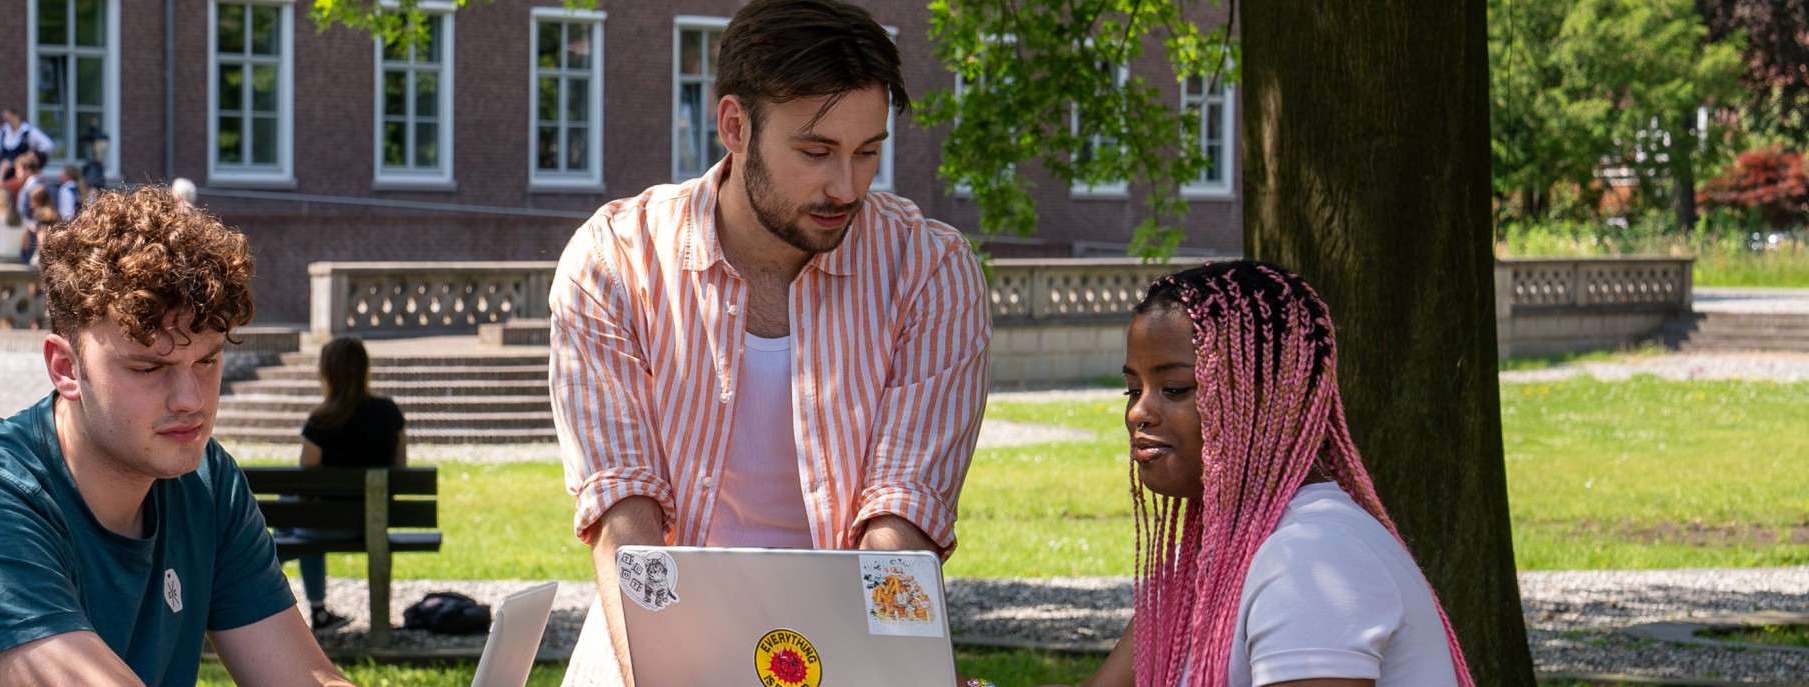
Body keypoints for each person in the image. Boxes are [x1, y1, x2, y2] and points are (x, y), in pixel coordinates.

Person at [545, 1, 990, 684]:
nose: (846, 186)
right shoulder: (614, 261)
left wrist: (887, 669)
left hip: (848, 654)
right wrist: (662, 673)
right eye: (816, 152)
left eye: (868, 152)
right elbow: (624, 517)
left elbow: (903, 525)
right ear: (734, 126)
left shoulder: (929, 270)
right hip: (649, 654)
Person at [0, 187, 357, 687]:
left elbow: (301, 679)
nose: (190, 400)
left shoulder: (205, 477)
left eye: (207, 360)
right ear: (65, 368)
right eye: (147, 367)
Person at [1074, 261, 1474, 687]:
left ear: (1268, 401)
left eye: (1174, 389)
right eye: (1133, 390)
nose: (1137, 411)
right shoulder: (1220, 554)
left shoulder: (1313, 558)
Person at [290, 337, 406, 632]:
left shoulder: (321, 420)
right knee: (300, 521)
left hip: (323, 525)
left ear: (327, 372)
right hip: (374, 521)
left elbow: (305, 481)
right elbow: (401, 470)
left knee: (297, 519)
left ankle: (318, 610)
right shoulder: (389, 412)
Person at [0, 108, 52, 185]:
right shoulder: (2, 130)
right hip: (6, 173)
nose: (9, 122)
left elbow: (48, 145)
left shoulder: (28, 131)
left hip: (22, 171)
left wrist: (32, 154)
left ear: (18, 116)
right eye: (7, 120)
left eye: (11, 118)